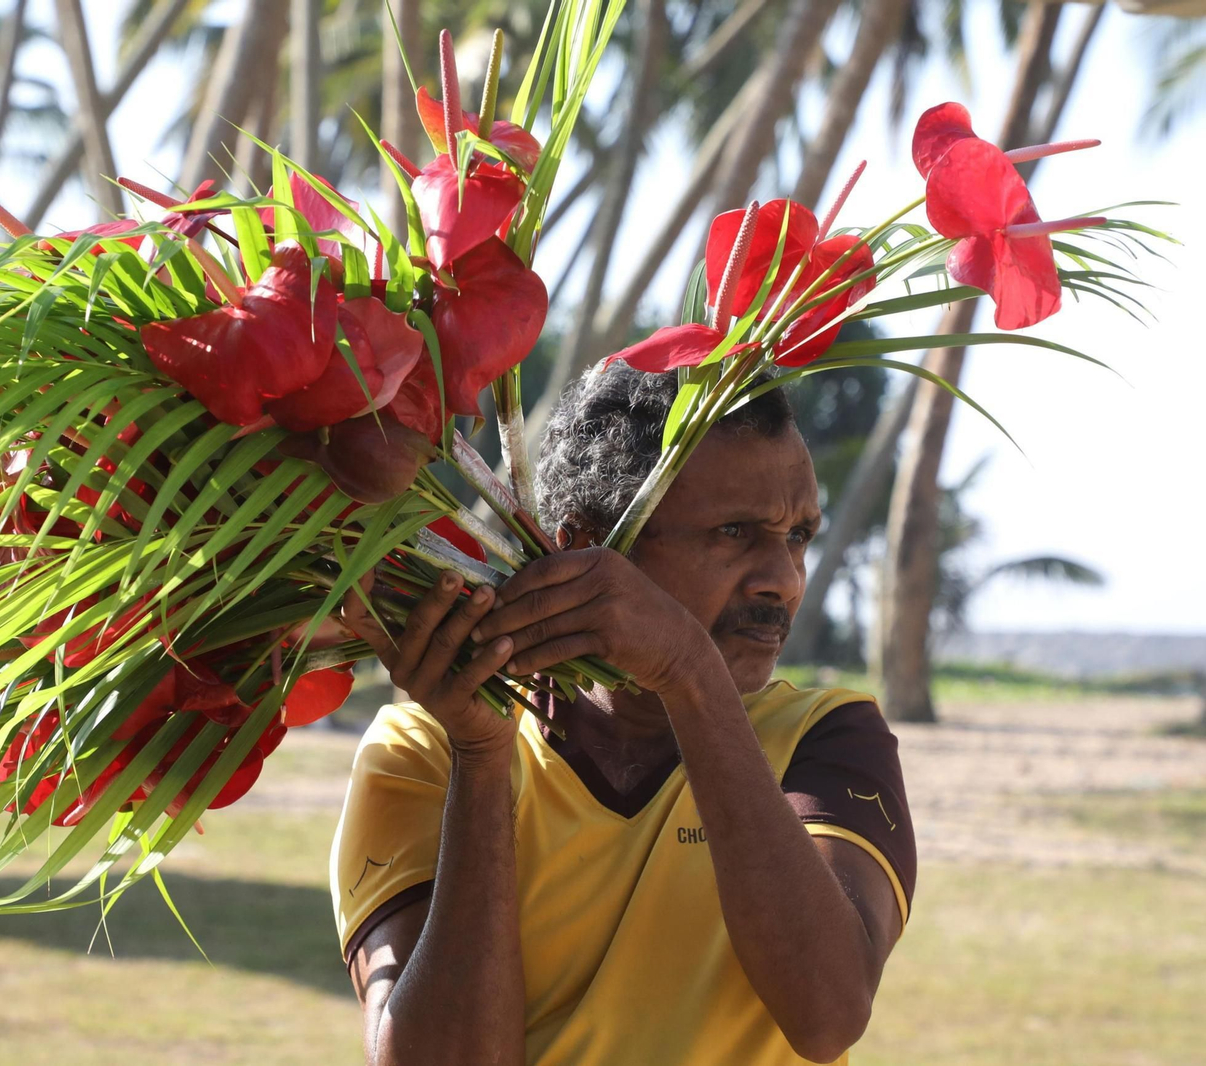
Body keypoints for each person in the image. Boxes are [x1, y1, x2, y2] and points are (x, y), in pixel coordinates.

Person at [331, 362, 916, 1065]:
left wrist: (689, 672)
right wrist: (481, 760)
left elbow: (827, 1015)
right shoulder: (425, 748)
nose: (783, 580)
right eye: (734, 532)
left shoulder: (828, 739)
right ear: (584, 549)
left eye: (798, 536)